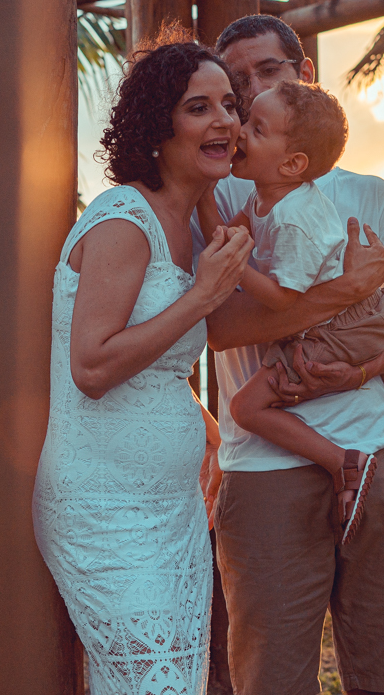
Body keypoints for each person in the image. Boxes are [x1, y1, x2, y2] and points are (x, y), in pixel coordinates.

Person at [196, 14, 384, 695]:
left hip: (379, 455)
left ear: (305, 76)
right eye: (236, 82)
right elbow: (215, 328)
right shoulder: (215, 195)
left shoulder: (369, 195)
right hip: (265, 469)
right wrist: (344, 293)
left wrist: (364, 367)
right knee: (269, 682)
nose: (250, 93)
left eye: (267, 72)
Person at [31, 35, 255, 695]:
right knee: (153, 685)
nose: (224, 122)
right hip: (104, 509)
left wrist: (341, 295)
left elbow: (175, 352)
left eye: (230, 106)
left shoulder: (192, 222)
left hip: (174, 509)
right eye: (199, 108)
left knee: (169, 684)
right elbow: (92, 368)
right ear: (159, 127)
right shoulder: (123, 221)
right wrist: (205, 294)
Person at [197, 79, 384, 544]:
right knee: (256, 397)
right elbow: (228, 236)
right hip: (328, 318)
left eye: (257, 128)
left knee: (246, 407)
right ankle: (345, 462)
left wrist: (236, 268)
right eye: (244, 118)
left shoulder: (295, 218)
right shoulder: (265, 194)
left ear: (292, 163)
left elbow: (283, 301)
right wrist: (206, 197)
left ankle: (343, 461)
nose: (240, 131)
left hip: (346, 326)